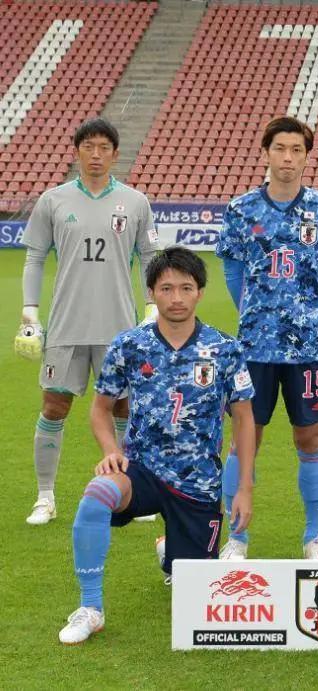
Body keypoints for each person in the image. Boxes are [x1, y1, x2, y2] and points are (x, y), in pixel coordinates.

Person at [58, 248, 256, 644]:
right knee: (96, 495)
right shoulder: (129, 345)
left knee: (196, 592)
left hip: (198, 483)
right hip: (141, 472)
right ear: (151, 293)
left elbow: (244, 418)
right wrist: (110, 450)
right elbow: (100, 409)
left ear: (200, 292)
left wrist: (244, 487)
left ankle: (172, 552)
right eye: (166, 288)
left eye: (186, 288)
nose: (176, 298)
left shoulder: (225, 348)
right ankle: (91, 608)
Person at [214, 116, 318, 560]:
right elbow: (233, 272)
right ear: (266, 152)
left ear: (307, 156)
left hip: (308, 347)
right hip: (253, 347)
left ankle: (314, 537)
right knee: (243, 440)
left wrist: (306, 314)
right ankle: (236, 538)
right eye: (280, 148)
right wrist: (258, 314)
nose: (288, 157)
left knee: (311, 439)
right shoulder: (241, 209)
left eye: (296, 150)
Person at [17, 117, 160, 525]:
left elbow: (150, 258)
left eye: (104, 148)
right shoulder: (53, 200)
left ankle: (134, 492)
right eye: (88, 147)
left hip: (120, 329)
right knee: (54, 406)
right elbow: (34, 257)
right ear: (77, 151)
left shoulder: (135, 202)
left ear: (115, 154)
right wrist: (30, 311)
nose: (96, 155)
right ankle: (45, 497)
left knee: (126, 407)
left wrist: (152, 307)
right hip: (67, 325)